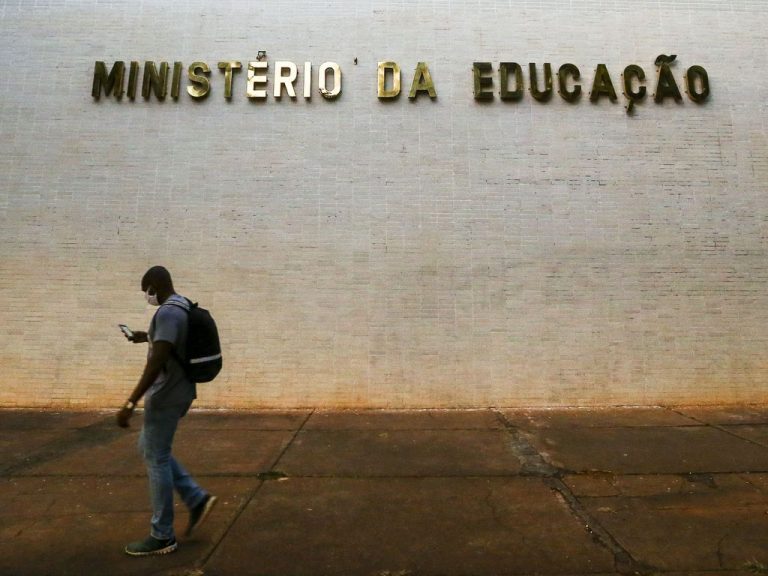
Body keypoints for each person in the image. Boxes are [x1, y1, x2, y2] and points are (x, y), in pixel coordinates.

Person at [117, 265, 217, 556]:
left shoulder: (168, 312)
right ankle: (195, 498)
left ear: (154, 286)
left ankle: (162, 535)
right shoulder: (182, 305)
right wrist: (144, 336)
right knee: (149, 447)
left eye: (146, 291)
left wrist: (130, 402)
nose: (146, 296)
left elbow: (158, 360)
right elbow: (170, 341)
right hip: (181, 389)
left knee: (156, 457)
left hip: (166, 394)